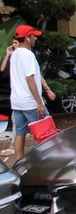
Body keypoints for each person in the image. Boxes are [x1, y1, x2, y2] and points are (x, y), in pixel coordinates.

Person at [9, 25, 50, 160]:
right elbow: (30, 78)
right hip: (30, 102)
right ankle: (49, 160)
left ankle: (18, 161)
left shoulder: (15, 54)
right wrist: (39, 102)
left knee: (20, 132)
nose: (35, 38)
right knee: (46, 132)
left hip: (17, 101)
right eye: (33, 36)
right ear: (27, 38)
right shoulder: (28, 55)